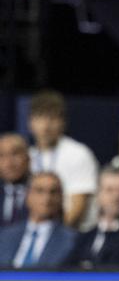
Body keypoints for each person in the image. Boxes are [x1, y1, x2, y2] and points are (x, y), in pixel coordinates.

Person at [28, 91, 98, 229]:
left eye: (52, 118)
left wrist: (54, 237)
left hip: (72, 233)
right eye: (40, 118)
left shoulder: (78, 153)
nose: (46, 126)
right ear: (30, 122)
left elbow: (78, 206)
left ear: (63, 123)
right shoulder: (28, 156)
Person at [0, 172, 76, 268]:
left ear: (61, 198)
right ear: (27, 195)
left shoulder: (72, 241)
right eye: (39, 191)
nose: (47, 198)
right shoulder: (5, 236)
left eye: (53, 192)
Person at [0, 133, 30, 227]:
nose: (9, 163)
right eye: (1, 156)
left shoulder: (41, 191)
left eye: (15, 154)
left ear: (28, 158)